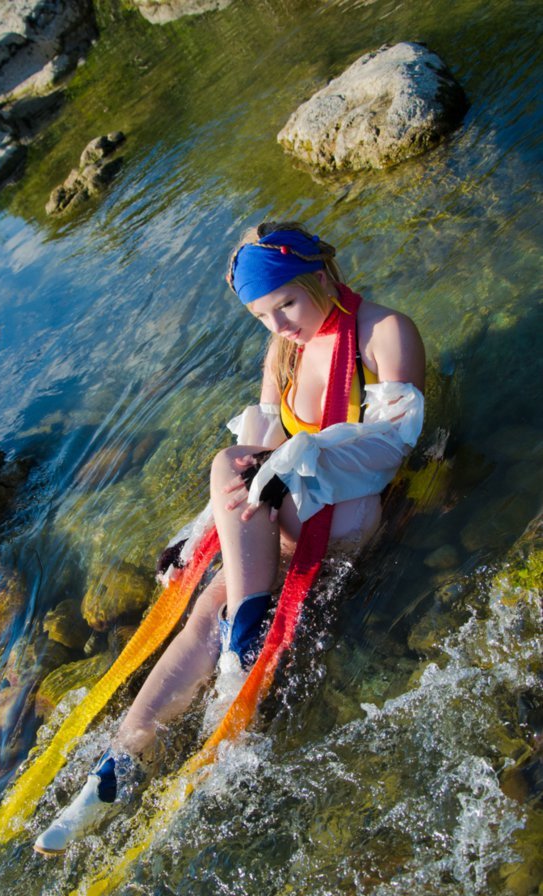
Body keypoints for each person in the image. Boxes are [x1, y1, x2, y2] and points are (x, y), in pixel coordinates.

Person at [34, 221, 425, 855]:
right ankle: (120, 761)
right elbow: (257, 453)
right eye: (263, 317)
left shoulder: (385, 332)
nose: (280, 327)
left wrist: (301, 457)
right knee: (204, 605)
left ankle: (241, 637)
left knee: (230, 501)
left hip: (348, 515)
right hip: (287, 517)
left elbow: (391, 447)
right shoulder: (284, 352)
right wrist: (196, 533)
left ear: (320, 274)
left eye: (287, 305)